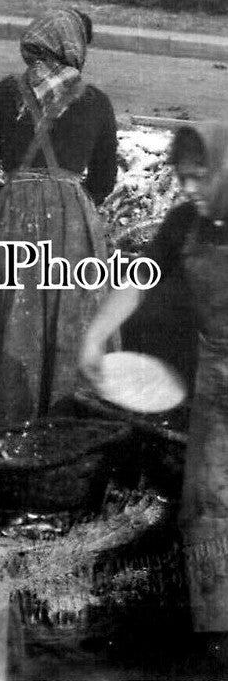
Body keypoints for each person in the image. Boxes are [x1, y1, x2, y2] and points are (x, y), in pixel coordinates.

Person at [80, 123, 228, 667]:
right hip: (216, 379)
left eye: (199, 177)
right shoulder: (184, 222)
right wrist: (96, 336)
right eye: (182, 177)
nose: (187, 187)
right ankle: (219, 640)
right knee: (209, 509)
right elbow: (139, 279)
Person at [0, 8, 118, 428]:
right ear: (74, 48)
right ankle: (65, 419)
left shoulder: (2, 93)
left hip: (11, 216)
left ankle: (5, 418)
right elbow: (104, 179)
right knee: (69, 312)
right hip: (71, 220)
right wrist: (73, 203)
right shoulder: (96, 101)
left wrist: (5, 202)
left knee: (11, 312)